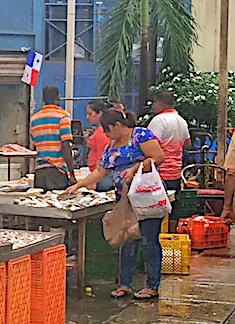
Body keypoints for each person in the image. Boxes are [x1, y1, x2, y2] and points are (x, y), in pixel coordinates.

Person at [66, 109, 166, 300]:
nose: (106, 134)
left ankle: (152, 286)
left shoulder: (140, 135)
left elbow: (158, 157)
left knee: (149, 240)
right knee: (127, 240)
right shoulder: (111, 146)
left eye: (108, 129)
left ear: (118, 125)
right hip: (125, 201)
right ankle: (125, 284)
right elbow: (100, 172)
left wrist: (136, 168)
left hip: (147, 199)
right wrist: (78, 185)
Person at [147, 91, 190, 233]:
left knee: (156, 209)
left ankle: (157, 237)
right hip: (175, 172)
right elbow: (187, 143)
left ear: (159, 102)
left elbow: (149, 144)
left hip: (159, 173)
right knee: (173, 207)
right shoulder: (181, 121)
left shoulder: (158, 121)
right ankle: (171, 236)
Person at [30, 85, 76, 191]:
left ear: (43, 99)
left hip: (40, 172)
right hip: (57, 171)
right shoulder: (63, 116)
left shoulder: (34, 119)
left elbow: (34, 144)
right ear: (58, 97)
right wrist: (71, 173)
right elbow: (65, 146)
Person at [86, 100, 114, 192]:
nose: (87, 117)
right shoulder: (100, 130)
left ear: (99, 113)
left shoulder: (102, 132)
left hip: (101, 176)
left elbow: (101, 157)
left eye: (90, 114)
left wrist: (95, 180)